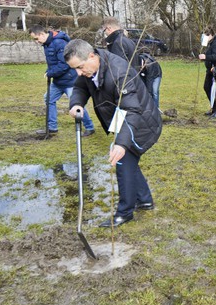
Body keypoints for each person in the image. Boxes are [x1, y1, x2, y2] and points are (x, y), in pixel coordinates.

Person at [65, 39, 162, 227]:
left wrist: (121, 143)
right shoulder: (90, 67)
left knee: (122, 160)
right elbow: (80, 87)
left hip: (141, 121)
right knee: (128, 161)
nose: (78, 73)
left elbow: (132, 110)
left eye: (80, 67)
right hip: (124, 119)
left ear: (92, 56)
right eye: (74, 69)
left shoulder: (119, 72)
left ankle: (124, 212)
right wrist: (76, 104)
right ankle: (144, 200)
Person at [29, 25, 95, 137]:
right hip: (58, 82)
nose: (36, 42)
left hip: (70, 81)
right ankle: (52, 127)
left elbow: (64, 64)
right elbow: (53, 62)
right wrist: (49, 70)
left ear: (41, 34)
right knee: (48, 99)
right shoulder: (47, 44)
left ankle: (89, 127)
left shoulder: (59, 43)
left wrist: (51, 73)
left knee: (77, 104)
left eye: (36, 38)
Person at [100, 17, 163, 110]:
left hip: (126, 84)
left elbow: (118, 67)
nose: (105, 33)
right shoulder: (127, 40)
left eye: (104, 30)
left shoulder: (118, 43)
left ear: (109, 28)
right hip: (133, 80)